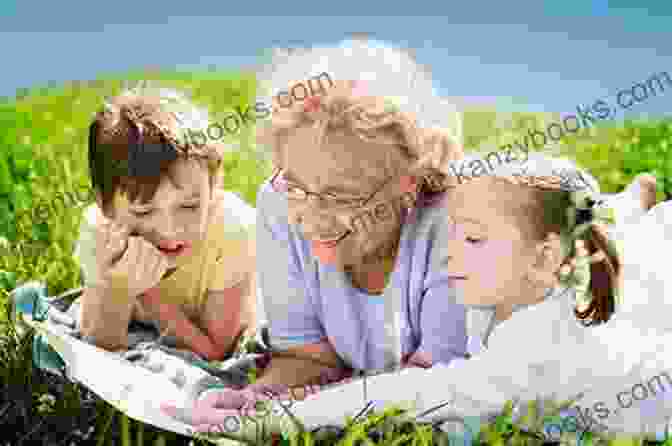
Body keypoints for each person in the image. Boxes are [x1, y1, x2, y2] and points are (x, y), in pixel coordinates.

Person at [161, 38, 472, 427]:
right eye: (294, 186)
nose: (310, 216)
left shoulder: (457, 225)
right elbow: (309, 359)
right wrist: (259, 401)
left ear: (410, 183)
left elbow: (434, 389)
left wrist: (297, 416)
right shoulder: (277, 205)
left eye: (340, 197)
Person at [248, 154, 672, 439]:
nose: (448, 251)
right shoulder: (532, 279)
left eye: (472, 238)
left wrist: (286, 418)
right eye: (451, 233)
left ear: (541, 257)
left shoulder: (537, 351)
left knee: (650, 266)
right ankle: (631, 204)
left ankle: (634, 209)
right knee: (625, 243)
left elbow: (418, 394)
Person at [75, 86, 257, 360]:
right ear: (106, 206)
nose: (170, 231)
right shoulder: (102, 232)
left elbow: (218, 351)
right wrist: (119, 289)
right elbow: (98, 349)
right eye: (143, 211)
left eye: (189, 206)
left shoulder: (232, 230)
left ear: (214, 186)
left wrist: (147, 293)